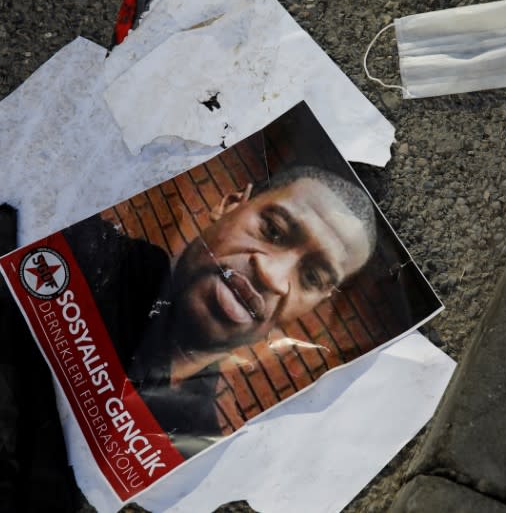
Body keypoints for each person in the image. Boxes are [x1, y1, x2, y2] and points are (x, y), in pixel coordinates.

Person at [63, 164, 377, 457]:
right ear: (230, 204)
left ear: (313, 307)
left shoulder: (191, 448)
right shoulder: (79, 255)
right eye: (273, 230)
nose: (272, 275)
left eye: (312, 278)